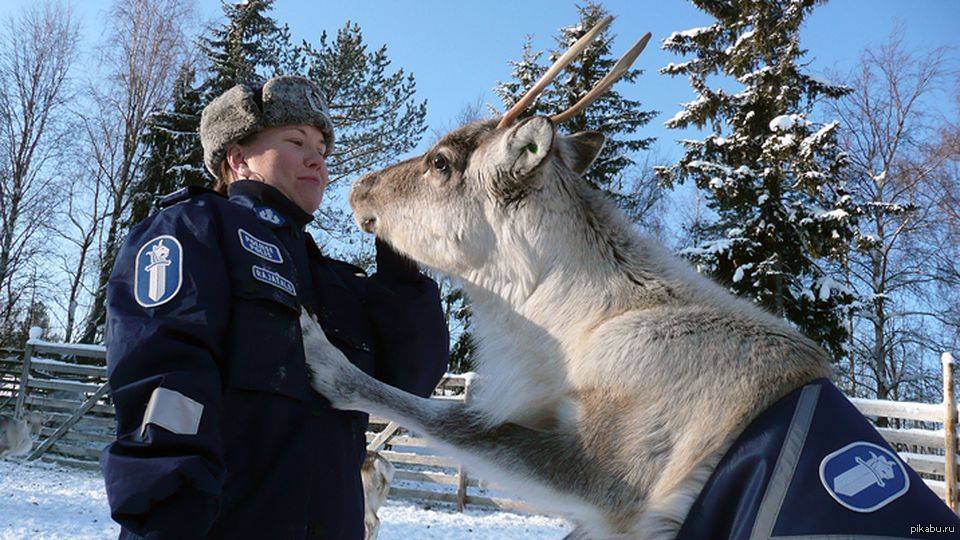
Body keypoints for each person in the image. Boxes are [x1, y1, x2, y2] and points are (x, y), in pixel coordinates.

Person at [100, 75, 449, 539]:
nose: (318, 160)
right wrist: (168, 519)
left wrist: (402, 267)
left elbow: (410, 382)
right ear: (238, 157)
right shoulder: (195, 227)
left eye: (323, 149)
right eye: (296, 140)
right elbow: (162, 378)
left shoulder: (337, 281)